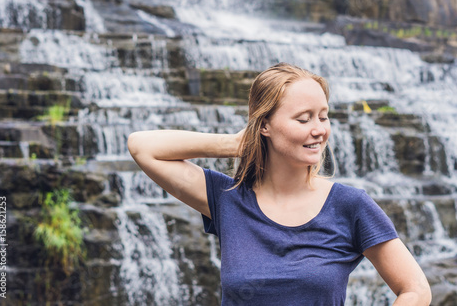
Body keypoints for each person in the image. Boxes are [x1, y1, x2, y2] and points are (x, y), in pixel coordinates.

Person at [127, 63, 432, 305]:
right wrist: (237, 143)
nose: (319, 130)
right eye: (304, 119)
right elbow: (142, 146)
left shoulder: (350, 205)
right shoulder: (227, 198)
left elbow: (416, 289)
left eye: (323, 117)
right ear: (264, 126)